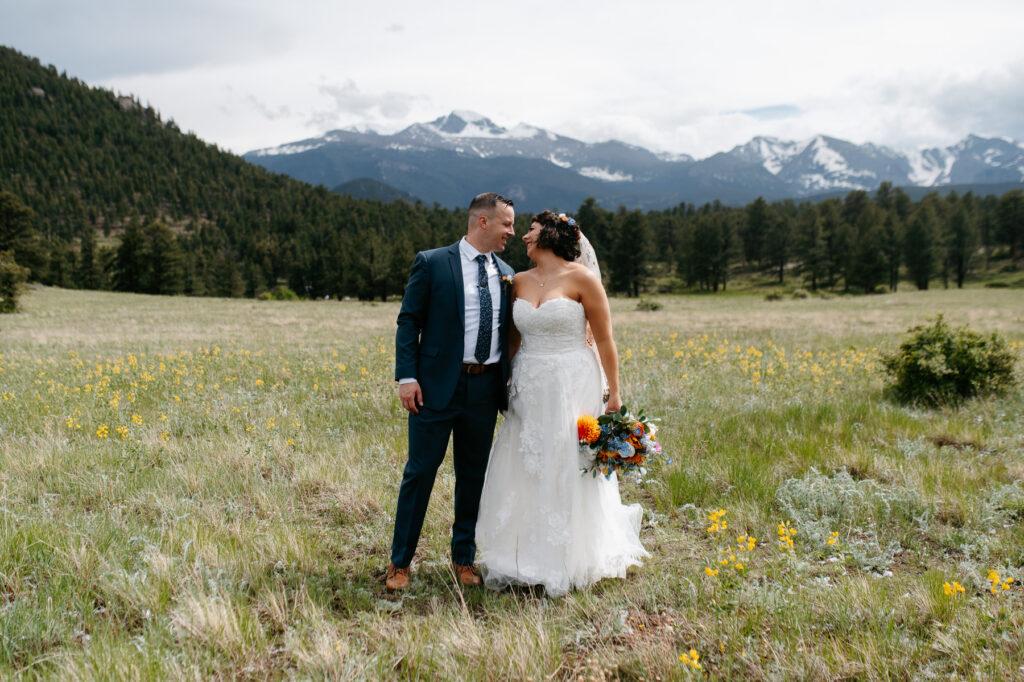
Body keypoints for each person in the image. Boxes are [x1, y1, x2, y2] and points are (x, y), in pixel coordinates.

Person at [475, 210, 648, 596]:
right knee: (527, 458)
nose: (523, 237)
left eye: (532, 231)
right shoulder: (517, 281)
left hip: (573, 379)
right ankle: (521, 551)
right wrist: (502, 378)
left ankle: (571, 553)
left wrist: (615, 392)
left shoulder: (582, 279)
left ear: (551, 235)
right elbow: (514, 339)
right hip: (528, 381)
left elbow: (605, 340)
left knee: (566, 457)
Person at [387, 192, 517, 591]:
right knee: (420, 472)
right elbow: (409, 321)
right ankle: (400, 563)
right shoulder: (433, 262)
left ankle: (463, 558)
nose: (511, 231)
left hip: (484, 388)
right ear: (482, 222)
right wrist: (406, 377)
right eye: (506, 224)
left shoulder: (508, 272)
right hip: (434, 388)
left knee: (472, 476)